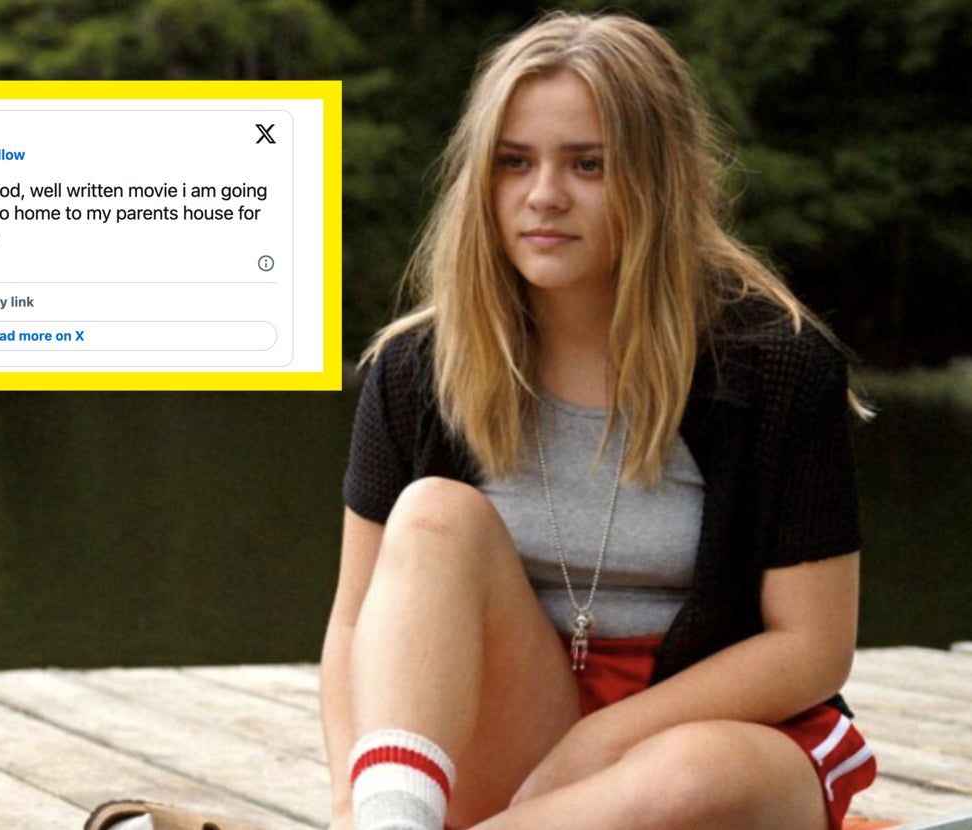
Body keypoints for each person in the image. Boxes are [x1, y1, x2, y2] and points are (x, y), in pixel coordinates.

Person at [321, 11, 875, 830]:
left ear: (657, 179)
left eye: (588, 164)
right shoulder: (416, 369)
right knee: (433, 514)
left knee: (695, 775)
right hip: (508, 731)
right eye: (515, 163)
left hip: (705, 739)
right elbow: (354, 626)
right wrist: (347, 806)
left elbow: (811, 647)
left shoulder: (780, 366)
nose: (544, 195)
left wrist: (605, 741)